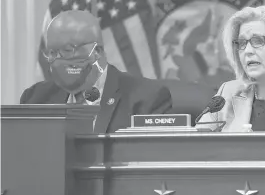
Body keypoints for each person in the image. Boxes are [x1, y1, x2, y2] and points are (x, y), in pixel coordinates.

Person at [20, 10, 173, 133]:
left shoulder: (146, 100)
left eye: (67, 50)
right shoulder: (36, 99)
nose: (58, 59)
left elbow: (152, 164)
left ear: (97, 51)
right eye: (52, 53)